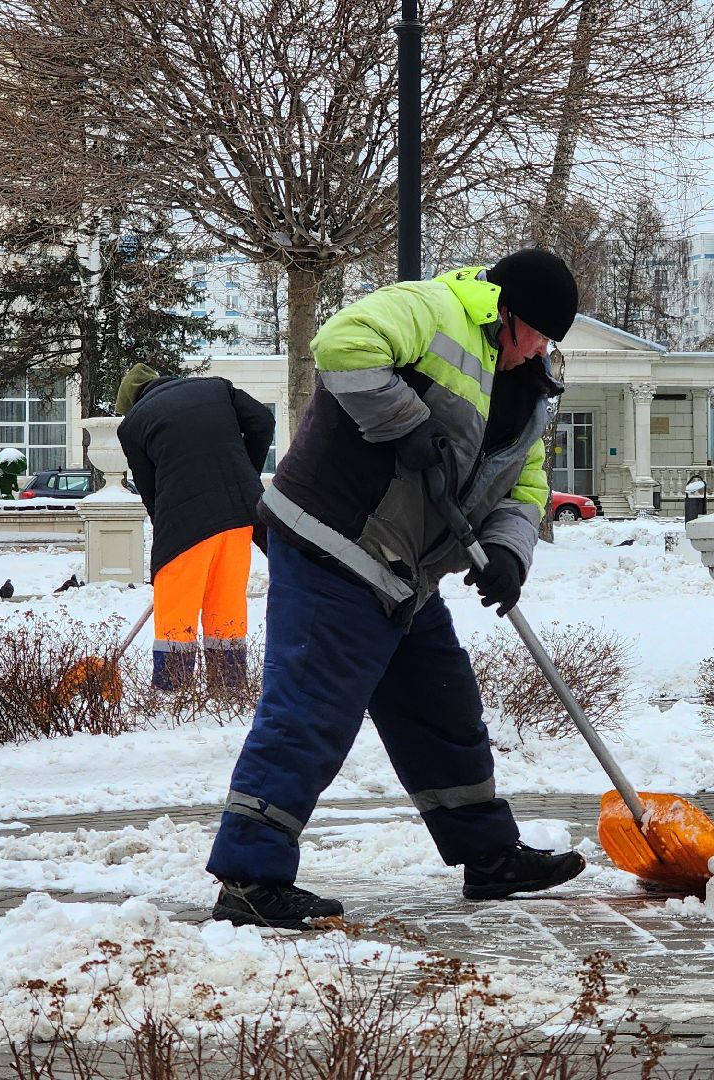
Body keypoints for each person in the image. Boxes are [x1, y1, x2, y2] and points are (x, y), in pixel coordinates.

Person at [206, 249, 586, 929]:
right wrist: (405, 425)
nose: (539, 354)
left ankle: (489, 855)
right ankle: (249, 877)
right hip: (335, 539)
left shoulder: (527, 392)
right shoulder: (431, 309)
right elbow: (341, 345)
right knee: (313, 707)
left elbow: (525, 486)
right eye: (538, 337)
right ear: (510, 315)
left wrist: (506, 552)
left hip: (404, 570)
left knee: (442, 705)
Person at [115, 364, 275, 692]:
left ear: (132, 402)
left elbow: (150, 490)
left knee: (177, 607)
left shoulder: (133, 425)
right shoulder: (217, 388)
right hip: (239, 516)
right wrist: (244, 472)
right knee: (226, 601)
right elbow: (263, 421)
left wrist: (168, 533)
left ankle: (173, 692)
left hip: (184, 522)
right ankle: (228, 687)